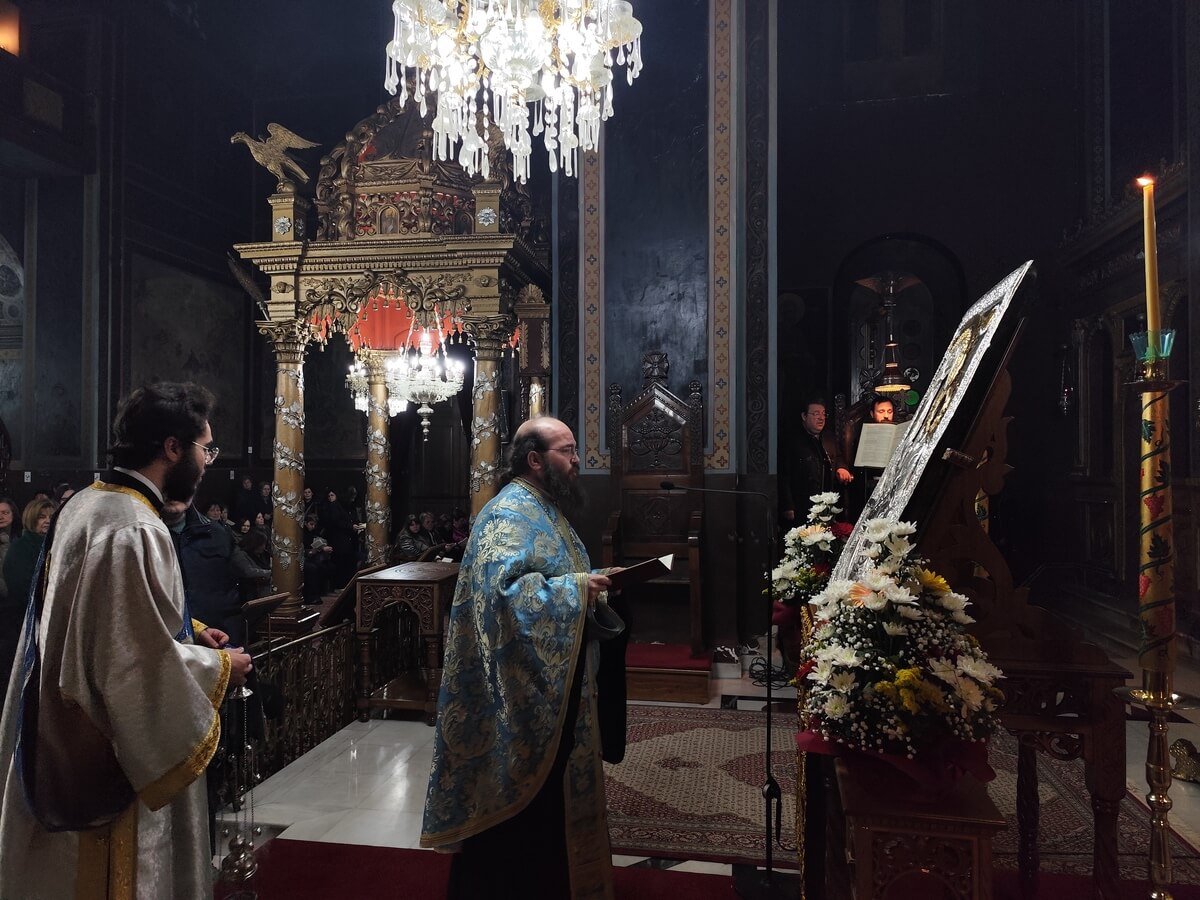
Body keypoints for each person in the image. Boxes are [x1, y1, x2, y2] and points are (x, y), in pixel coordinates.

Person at [0, 381, 253, 900]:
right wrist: (221, 667)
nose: (208, 463)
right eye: (206, 449)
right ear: (172, 448)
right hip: (104, 748)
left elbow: (98, 617)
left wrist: (192, 631)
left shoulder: (87, 504)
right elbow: (129, 664)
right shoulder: (134, 526)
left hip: (57, 726)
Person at [421, 417, 619, 900]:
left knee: (550, 812)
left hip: (557, 692)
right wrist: (577, 589)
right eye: (567, 451)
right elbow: (505, 599)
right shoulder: (508, 514)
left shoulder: (547, 510)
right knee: (518, 829)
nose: (577, 460)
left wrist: (592, 583)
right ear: (535, 459)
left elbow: (553, 576)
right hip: (516, 702)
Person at [0, 498, 53, 690]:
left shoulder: (54, 545)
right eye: (41, 517)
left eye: (51, 517)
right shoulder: (22, 547)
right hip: (22, 621)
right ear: (31, 519)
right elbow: (22, 587)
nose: (47, 521)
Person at [780, 396, 852, 524]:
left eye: (823, 414)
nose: (821, 418)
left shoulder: (829, 437)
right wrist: (788, 506)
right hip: (803, 505)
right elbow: (784, 475)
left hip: (827, 504)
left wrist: (841, 468)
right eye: (816, 414)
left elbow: (838, 457)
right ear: (804, 416)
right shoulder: (792, 441)